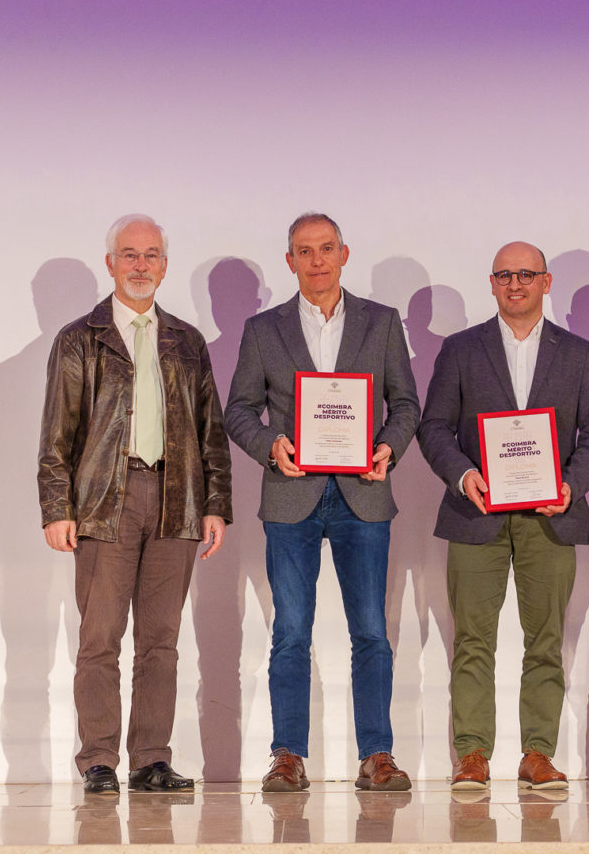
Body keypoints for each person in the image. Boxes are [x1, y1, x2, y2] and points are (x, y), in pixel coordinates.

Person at [224, 212, 420, 792]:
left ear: (344, 253)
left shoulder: (381, 322)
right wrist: (270, 445)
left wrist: (388, 447)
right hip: (292, 494)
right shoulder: (264, 329)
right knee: (290, 632)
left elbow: (405, 404)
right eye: (305, 251)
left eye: (326, 248)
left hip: (364, 493)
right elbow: (239, 410)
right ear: (290, 261)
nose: (316, 260)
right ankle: (287, 755)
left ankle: (377, 755)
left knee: (372, 632)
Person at [37, 214, 232, 794]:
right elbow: (57, 433)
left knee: (160, 642)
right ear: (111, 263)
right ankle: (99, 759)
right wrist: (57, 507)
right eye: (130, 254)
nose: (140, 265)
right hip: (104, 502)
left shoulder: (187, 342)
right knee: (99, 638)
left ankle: (151, 759)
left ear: (164, 266)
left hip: (177, 500)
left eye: (151, 255)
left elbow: (210, 430)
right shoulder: (80, 339)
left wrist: (214, 503)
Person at [416, 242, 589, 790]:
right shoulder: (461, 349)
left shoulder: (578, 353)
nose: (515, 284)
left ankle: (537, 754)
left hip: (551, 515)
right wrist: (463, 474)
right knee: (472, 640)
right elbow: (433, 427)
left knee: (545, 640)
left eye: (526, 274)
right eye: (504, 275)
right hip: (475, 511)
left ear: (546, 282)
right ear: (492, 283)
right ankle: (472, 754)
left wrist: (572, 485)